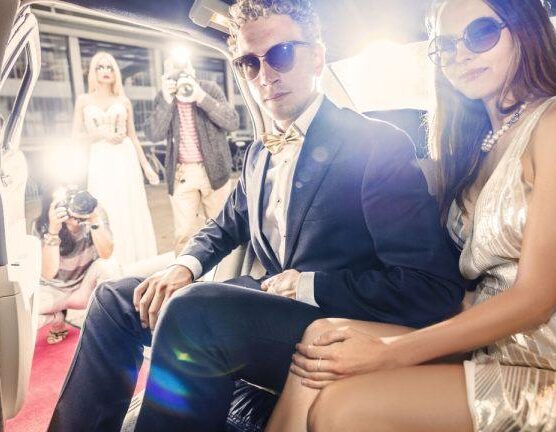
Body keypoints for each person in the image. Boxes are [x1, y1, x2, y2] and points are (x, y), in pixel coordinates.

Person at [48, 1, 470, 430]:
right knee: (115, 299)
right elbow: (224, 224)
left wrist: (307, 284)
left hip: (332, 320)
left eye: (281, 54)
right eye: (250, 63)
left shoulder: (376, 145)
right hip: (261, 307)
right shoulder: (256, 154)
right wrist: (183, 266)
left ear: (317, 57)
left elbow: (431, 287)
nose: (265, 75)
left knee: (196, 312)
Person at [266, 1, 556, 431]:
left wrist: (390, 352)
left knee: (342, 408)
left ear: (525, 30)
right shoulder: (477, 148)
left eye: (481, 33)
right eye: (446, 45)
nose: (461, 54)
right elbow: (471, 288)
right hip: (492, 345)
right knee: (324, 338)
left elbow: (535, 299)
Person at [145, 54, 240, 254]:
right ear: (166, 75)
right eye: (175, 71)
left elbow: (232, 122)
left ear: (193, 71)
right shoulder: (164, 96)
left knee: (223, 230)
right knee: (185, 235)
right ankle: (188, 271)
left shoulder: (208, 89)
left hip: (215, 171)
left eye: (184, 69)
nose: (181, 75)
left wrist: (201, 98)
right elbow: (153, 134)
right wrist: (166, 100)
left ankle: (224, 272)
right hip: (182, 173)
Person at [72, 51, 159, 268]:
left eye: (110, 67)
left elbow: (133, 136)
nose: (105, 71)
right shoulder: (83, 100)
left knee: (129, 207)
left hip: (124, 157)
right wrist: (101, 134)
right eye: (100, 67)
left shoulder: (123, 100)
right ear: (93, 72)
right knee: (105, 204)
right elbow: (76, 136)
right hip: (100, 158)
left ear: (115, 72)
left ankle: (134, 262)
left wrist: (146, 166)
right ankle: (109, 261)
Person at [34, 188, 120, 344]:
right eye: (66, 200)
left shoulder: (94, 213)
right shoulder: (42, 225)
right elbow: (48, 273)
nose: (73, 205)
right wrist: (53, 231)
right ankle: (57, 319)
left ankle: (108, 325)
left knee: (109, 265)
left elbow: (106, 254)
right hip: (54, 292)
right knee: (21, 315)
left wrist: (95, 220)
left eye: (75, 197)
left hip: (83, 289)